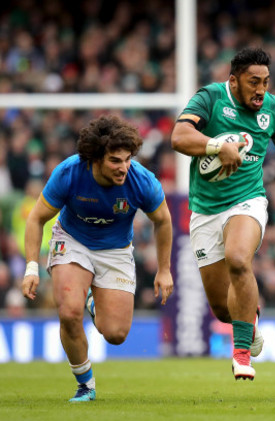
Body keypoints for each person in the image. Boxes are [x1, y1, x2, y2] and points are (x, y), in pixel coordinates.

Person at [170, 47, 275, 381]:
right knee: (223, 309)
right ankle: (250, 319)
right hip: (205, 210)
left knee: (238, 259)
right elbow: (179, 136)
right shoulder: (210, 98)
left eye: (266, 81)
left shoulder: (273, 109)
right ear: (234, 81)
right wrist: (217, 146)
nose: (261, 89)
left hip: (247, 201)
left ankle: (241, 355)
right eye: (253, 82)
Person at [21, 115, 174, 402]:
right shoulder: (69, 172)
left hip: (116, 250)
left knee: (115, 334)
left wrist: (164, 270)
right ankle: (85, 385)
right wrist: (31, 268)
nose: (124, 167)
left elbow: (163, 221)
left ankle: (90, 300)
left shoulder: (142, 181)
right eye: (116, 160)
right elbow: (36, 218)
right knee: (68, 312)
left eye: (128, 159)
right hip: (73, 240)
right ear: (95, 158)